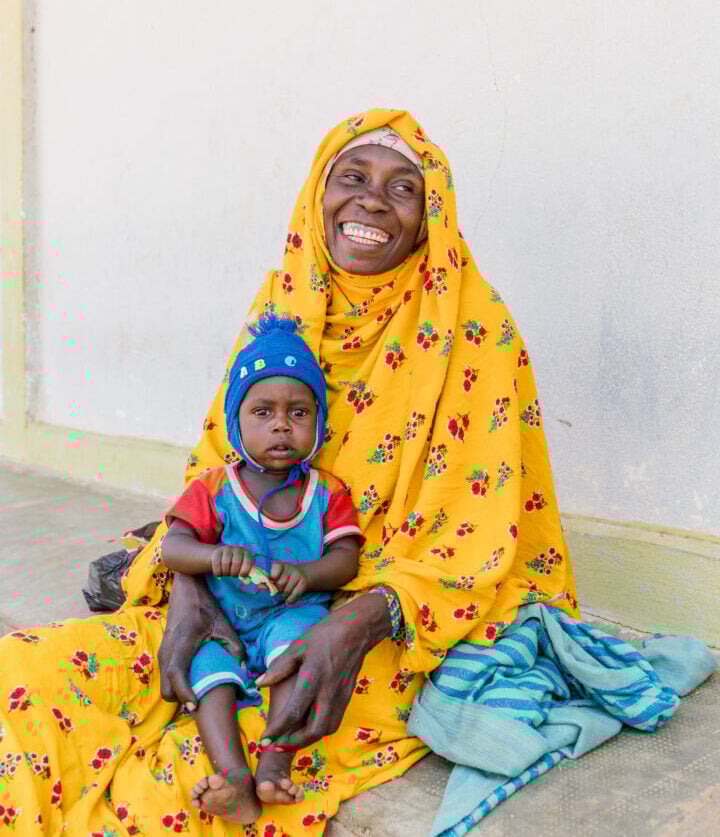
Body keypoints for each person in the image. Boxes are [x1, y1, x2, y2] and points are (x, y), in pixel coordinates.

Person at [0, 110, 577, 835]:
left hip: (389, 615)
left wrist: (357, 623)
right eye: (352, 178)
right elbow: (216, 465)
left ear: (432, 218)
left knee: (193, 774)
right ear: (317, 195)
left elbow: (478, 535)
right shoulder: (284, 302)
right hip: (233, 592)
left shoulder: (474, 327)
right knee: (22, 679)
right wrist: (186, 583)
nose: (372, 200)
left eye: (405, 188)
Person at [160, 314, 363, 823]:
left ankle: (274, 761)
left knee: (298, 649)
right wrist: (213, 556)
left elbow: (347, 559)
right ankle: (232, 776)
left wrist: (311, 575)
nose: (280, 425)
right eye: (262, 412)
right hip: (222, 624)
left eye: (298, 413)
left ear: (317, 424)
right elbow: (172, 548)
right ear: (235, 422)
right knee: (208, 675)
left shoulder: (327, 493)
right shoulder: (214, 488)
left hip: (288, 615)